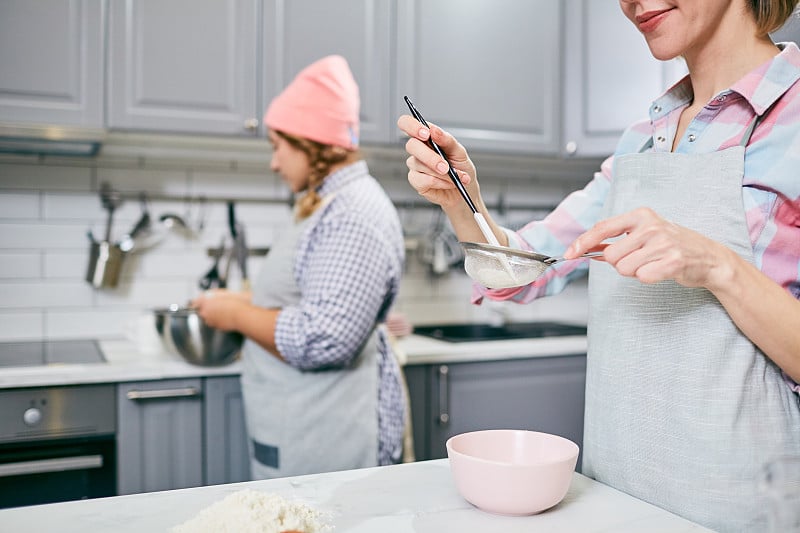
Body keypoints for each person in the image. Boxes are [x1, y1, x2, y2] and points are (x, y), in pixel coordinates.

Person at [397, 1, 800, 531]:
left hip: (740, 507)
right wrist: (460, 199)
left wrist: (717, 264)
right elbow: (528, 270)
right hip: (617, 500)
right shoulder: (642, 140)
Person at [195, 55, 406, 479]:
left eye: (278, 146)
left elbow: (323, 338)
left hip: (333, 438)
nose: (274, 163)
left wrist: (234, 313)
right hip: (306, 426)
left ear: (310, 143)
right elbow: (305, 298)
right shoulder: (325, 204)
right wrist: (240, 299)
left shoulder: (351, 215)